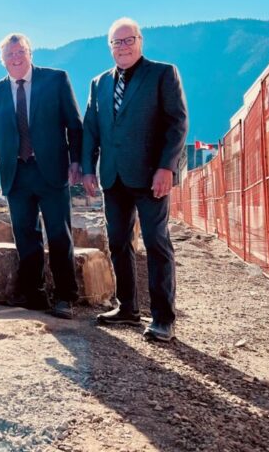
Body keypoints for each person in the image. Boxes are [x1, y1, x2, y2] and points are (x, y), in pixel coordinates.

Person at [82, 17, 188, 342]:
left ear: (140, 41)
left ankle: (163, 319)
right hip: (113, 178)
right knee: (117, 242)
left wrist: (166, 167)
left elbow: (177, 123)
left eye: (129, 40)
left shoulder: (162, 74)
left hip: (151, 176)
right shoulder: (98, 83)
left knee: (156, 243)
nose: (123, 47)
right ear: (110, 47)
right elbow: (91, 130)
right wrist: (88, 168)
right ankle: (127, 307)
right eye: (117, 42)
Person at [0, 33, 83, 319]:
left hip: (50, 169)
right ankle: (34, 295)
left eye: (20, 52)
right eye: (10, 54)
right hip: (15, 174)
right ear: (2, 60)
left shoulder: (56, 80)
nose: (16, 58)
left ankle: (65, 297)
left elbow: (74, 125)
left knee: (59, 234)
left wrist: (76, 161)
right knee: (25, 236)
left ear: (30, 53)